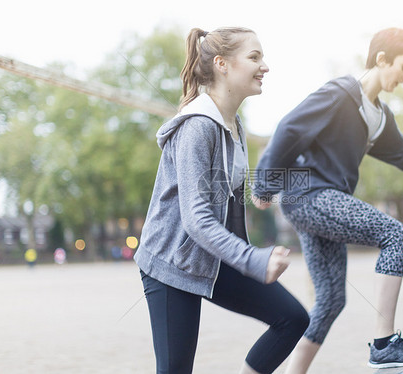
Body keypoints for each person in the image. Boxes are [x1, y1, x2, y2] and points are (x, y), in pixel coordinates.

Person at [252, 27, 403, 371]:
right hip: (309, 195)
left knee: (330, 300)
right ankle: (385, 343)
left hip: (322, 202)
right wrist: (264, 186)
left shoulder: (380, 115)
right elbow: (290, 128)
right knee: (396, 235)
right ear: (381, 59)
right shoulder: (342, 93)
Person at [134, 27, 309, 374]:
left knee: (292, 319)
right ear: (222, 64)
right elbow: (196, 217)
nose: (265, 66)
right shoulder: (198, 126)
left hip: (214, 258)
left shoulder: (234, 124)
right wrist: (252, 260)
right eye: (254, 57)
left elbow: (226, 194)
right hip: (172, 263)